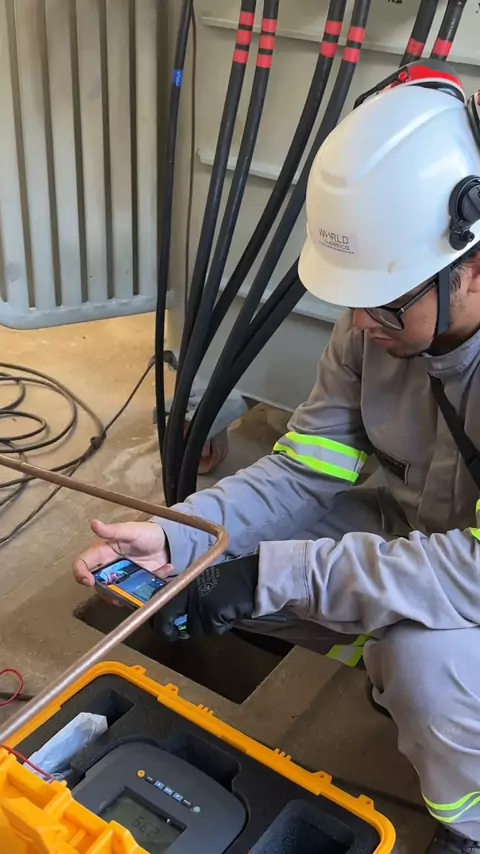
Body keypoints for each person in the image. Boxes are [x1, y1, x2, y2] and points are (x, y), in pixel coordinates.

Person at [74, 63, 480, 854]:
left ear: (471, 266)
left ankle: (468, 822)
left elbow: (467, 573)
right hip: (419, 538)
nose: (360, 324)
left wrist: (273, 576)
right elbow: (304, 471)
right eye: (351, 299)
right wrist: (183, 535)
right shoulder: (378, 327)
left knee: (422, 659)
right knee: (225, 558)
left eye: (385, 300)